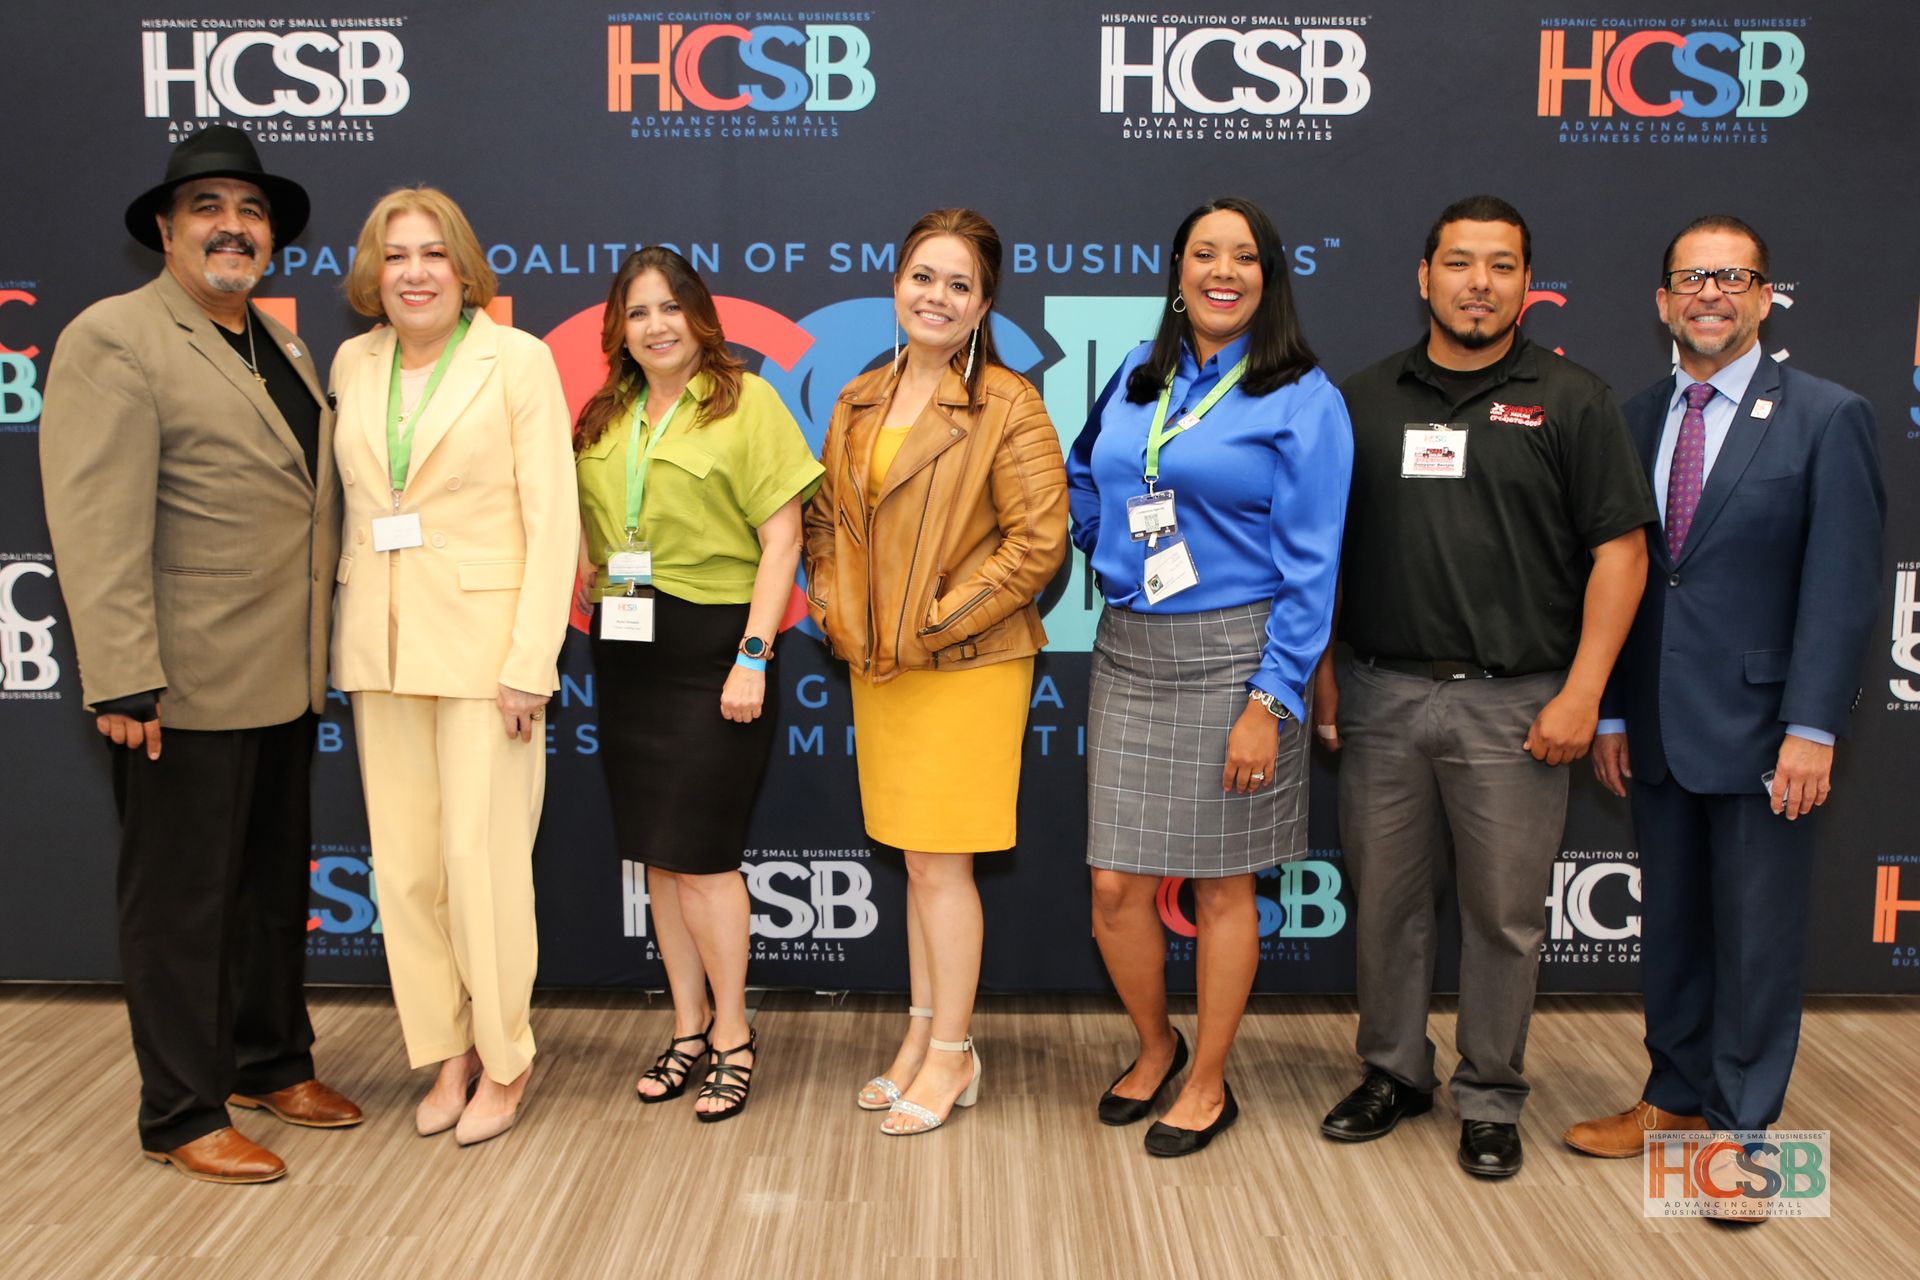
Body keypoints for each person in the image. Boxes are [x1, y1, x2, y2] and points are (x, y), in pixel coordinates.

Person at [38, 126, 360, 1183]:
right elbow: (96, 518)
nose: (235, 226)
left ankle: (270, 1058)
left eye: (252, 210)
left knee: (268, 886)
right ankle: (180, 1109)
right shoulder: (115, 336)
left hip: (278, 673)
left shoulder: (280, 344)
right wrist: (124, 673)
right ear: (168, 231)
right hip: (178, 681)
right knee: (181, 902)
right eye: (211, 208)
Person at [1315, 195, 1655, 1178]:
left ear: (1525, 282)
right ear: (1424, 276)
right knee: (1384, 901)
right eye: (1460, 263)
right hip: (1381, 693)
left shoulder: (1573, 398)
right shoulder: (1361, 399)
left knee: (1505, 913)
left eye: (1500, 265)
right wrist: (1328, 676)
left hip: (1519, 703)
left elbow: (1621, 555)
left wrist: (1585, 690)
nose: (1478, 282)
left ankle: (1493, 1094)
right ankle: (1393, 1071)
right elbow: (1323, 556)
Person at [1562, 217, 1885, 1219]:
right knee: (1675, 929)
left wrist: (1812, 727)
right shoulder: (1636, 411)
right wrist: (1610, 708)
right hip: (1655, 724)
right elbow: (1615, 574)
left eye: (1733, 277)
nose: (1711, 293)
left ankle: (1741, 1137)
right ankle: (1673, 1097)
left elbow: (1839, 589)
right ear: (1662, 300)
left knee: (1755, 935)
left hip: (1765, 732)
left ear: (1763, 295)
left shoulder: (1829, 416)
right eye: (1691, 278)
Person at [1066, 196, 1351, 1157]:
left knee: (1224, 886)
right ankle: (1154, 1046)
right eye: (1202, 254)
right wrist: (1101, 542)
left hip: (1238, 658)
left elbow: (1315, 568)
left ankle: (1209, 1079)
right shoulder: (1140, 381)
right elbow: (1083, 472)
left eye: (1243, 257)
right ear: (1178, 272)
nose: (1221, 272)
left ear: (1268, 278)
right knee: (1115, 884)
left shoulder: (1303, 396)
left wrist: (1271, 698)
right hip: (1130, 654)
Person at [802, 208, 1068, 1136]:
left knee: (944, 865)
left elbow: (1038, 546)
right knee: (918, 861)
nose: (937, 297)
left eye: (959, 284)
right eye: (923, 277)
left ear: (984, 302)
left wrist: (933, 622)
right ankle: (922, 1035)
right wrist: (841, 612)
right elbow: (827, 524)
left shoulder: (1009, 404)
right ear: (896, 284)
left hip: (968, 666)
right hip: (879, 666)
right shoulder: (857, 396)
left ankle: (953, 1054)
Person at [328, 187, 577, 1146]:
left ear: (464, 268)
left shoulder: (516, 361)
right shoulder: (355, 361)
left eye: (434, 254)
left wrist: (529, 663)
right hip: (381, 648)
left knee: (483, 868)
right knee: (408, 872)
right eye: (397, 257)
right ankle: (446, 1054)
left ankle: (506, 1060)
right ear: (373, 274)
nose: (416, 272)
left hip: (486, 657)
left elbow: (553, 519)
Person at [574, 248, 823, 1120]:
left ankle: (733, 1036)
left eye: (671, 307)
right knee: (660, 858)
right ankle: (686, 1029)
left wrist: (753, 654)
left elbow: (783, 538)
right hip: (627, 648)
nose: (656, 325)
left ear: (701, 316)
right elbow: (582, 527)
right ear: (620, 329)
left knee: (708, 859)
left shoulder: (746, 401)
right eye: (638, 312)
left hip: (719, 647)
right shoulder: (606, 414)